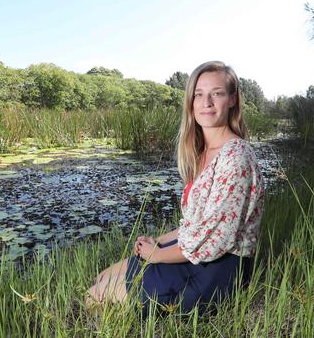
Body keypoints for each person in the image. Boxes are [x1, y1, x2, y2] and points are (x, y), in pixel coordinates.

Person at [86, 61, 264, 314]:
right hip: (193, 256)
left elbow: (214, 240)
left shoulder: (236, 157)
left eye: (217, 93)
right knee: (103, 277)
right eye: (199, 94)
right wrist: (157, 242)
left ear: (232, 99)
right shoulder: (203, 153)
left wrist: (156, 255)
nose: (207, 102)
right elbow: (194, 227)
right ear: (191, 101)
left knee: (95, 296)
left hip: (215, 271)